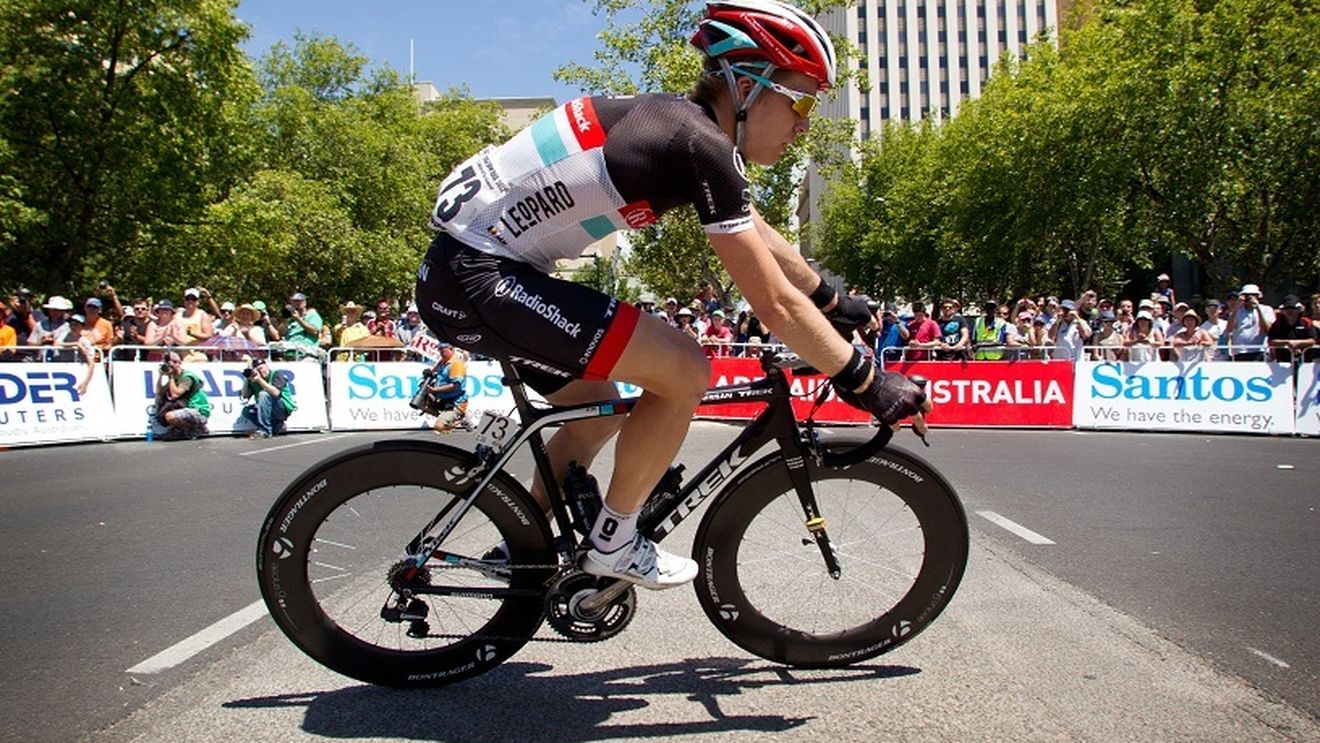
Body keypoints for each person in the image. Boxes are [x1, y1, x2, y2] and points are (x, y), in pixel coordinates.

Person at [414, 0, 928, 590]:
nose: (806, 123)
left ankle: (523, 548)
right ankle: (613, 541)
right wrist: (864, 378)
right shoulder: (697, 144)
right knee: (686, 369)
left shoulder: (679, 127)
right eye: (802, 100)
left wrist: (832, 301)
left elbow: (755, 228)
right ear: (746, 83)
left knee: (599, 405)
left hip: (466, 273)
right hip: (482, 276)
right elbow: (773, 308)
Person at [153, 350, 211, 440]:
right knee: (161, 409)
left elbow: (175, 394)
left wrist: (171, 376)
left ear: (179, 363)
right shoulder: (176, 377)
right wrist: (160, 376)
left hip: (198, 410)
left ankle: (198, 428)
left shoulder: (187, 377)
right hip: (186, 408)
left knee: (170, 416)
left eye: (171, 363)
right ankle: (180, 431)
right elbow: (159, 391)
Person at [240, 356, 296, 438]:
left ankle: (265, 430)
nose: (261, 371)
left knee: (264, 394)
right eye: (258, 370)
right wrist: (246, 379)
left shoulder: (276, 374)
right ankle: (276, 427)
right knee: (247, 411)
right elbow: (245, 395)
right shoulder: (254, 380)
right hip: (265, 409)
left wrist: (259, 380)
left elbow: (276, 392)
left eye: (262, 368)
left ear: (266, 366)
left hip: (282, 408)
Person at [423, 344, 469, 434]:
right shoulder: (443, 362)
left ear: (451, 349)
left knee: (439, 428)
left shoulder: (456, 364)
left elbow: (455, 386)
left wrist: (434, 390)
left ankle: (459, 419)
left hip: (456, 401)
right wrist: (429, 372)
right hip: (443, 399)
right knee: (422, 403)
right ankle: (449, 418)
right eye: (440, 351)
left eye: (443, 351)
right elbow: (434, 370)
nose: (441, 353)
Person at [1225, 283, 1274, 361]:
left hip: (1259, 351)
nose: (1249, 297)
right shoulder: (1237, 311)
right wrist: (1236, 307)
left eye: (1253, 295)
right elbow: (1229, 329)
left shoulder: (1266, 309)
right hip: (1240, 352)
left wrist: (1258, 309)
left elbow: (1268, 330)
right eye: (1246, 295)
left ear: (1258, 296)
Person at [1267, 295, 1317, 364]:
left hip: (1305, 361)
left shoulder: (1306, 322)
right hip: (1283, 361)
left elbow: (1312, 340)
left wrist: (1298, 343)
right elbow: (1272, 341)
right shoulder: (1277, 324)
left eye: (1293, 308)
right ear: (1282, 310)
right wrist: (1288, 343)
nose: (1290, 311)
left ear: (1299, 309)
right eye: (1287, 308)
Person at [279, 292, 322, 356]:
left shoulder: (312, 315)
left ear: (305, 303)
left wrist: (298, 319)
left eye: (299, 301)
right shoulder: (290, 319)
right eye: (294, 301)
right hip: (289, 353)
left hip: (306, 354)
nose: (297, 303)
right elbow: (280, 333)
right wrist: (285, 319)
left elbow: (315, 331)